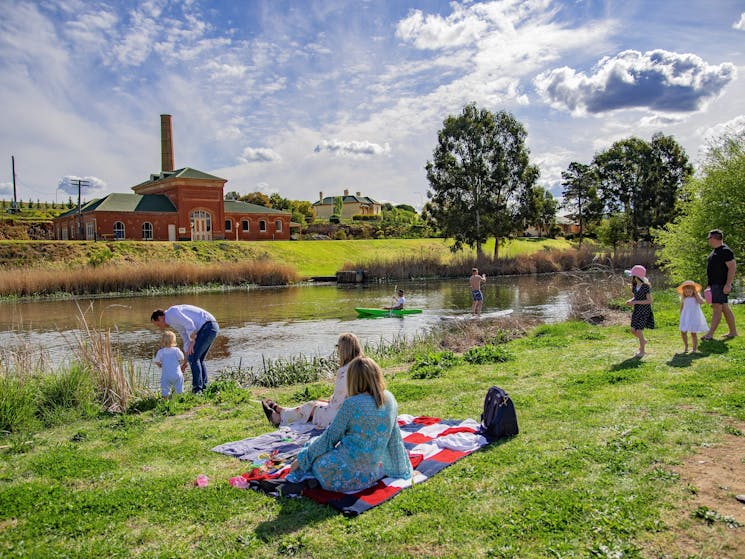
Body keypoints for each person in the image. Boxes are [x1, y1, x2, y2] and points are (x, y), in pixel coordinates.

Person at [285, 356, 412, 492]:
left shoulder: (352, 404)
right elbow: (394, 439)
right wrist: (400, 468)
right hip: (373, 472)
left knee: (315, 454)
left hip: (346, 475)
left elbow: (330, 438)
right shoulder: (390, 399)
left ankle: (307, 468)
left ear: (353, 379)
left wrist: (302, 460)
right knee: (316, 447)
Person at [261, 333, 363, 428]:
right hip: (353, 411)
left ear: (344, 350)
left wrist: (329, 401)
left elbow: (338, 401)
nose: (337, 351)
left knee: (311, 407)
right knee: (313, 405)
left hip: (340, 415)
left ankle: (279, 416)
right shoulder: (361, 367)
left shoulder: (345, 373)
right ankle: (281, 412)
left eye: (338, 348)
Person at [151, 305, 219, 394]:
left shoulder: (171, 313)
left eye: (158, 324)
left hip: (208, 326)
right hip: (210, 327)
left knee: (194, 358)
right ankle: (204, 388)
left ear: (160, 317)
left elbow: (189, 323)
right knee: (198, 359)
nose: (160, 327)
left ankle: (197, 390)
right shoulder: (172, 320)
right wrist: (185, 362)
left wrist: (192, 341)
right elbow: (185, 337)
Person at [703, 229, 737, 340]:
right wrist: (709, 285)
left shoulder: (725, 251)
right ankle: (733, 332)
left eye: (709, 238)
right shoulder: (715, 251)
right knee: (725, 308)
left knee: (717, 307)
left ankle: (710, 334)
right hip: (714, 284)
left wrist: (728, 284)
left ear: (714, 238)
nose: (708, 240)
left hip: (721, 284)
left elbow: (732, 267)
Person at [625, 265, 654, 358]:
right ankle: (643, 340)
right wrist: (631, 300)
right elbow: (636, 297)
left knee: (639, 330)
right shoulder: (634, 286)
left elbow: (649, 301)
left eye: (632, 276)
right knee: (633, 330)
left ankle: (642, 351)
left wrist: (636, 301)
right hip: (636, 310)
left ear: (637, 277)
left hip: (644, 311)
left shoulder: (645, 287)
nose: (631, 278)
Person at [677, 280, 708, 353]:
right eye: (686, 292)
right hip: (685, 316)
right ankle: (686, 346)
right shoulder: (684, 298)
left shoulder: (696, 297)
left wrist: (696, 294)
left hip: (693, 317)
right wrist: (681, 315)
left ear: (693, 290)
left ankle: (694, 349)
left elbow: (701, 302)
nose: (687, 293)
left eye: (689, 291)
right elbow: (682, 307)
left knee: (693, 333)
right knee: (683, 331)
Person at [154, 331, 185, 398]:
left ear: (162, 341)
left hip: (166, 375)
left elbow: (156, 361)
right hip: (177, 374)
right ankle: (179, 400)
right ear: (174, 341)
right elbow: (182, 359)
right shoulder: (176, 350)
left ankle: (166, 401)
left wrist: (160, 365)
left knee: (165, 389)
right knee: (179, 389)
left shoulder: (161, 352)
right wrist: (178, 363)